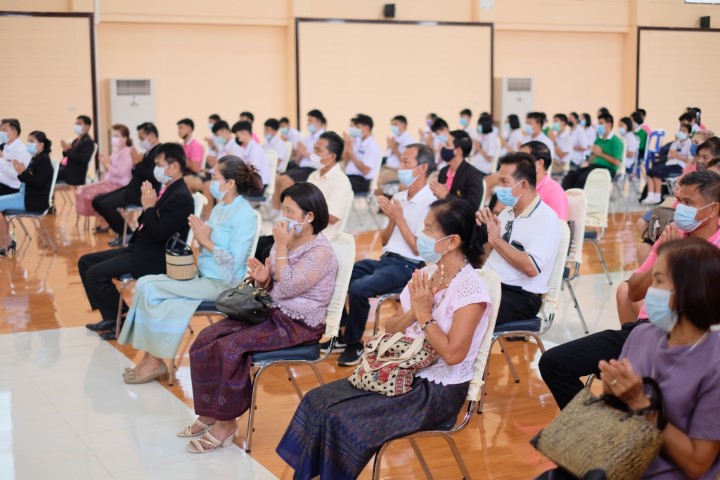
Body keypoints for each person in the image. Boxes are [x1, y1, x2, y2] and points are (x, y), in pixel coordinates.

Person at [276, 197, 492, 480]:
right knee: (317, 400)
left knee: (344, 420)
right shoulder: (428, 273)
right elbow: (392, 327)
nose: (421, 235)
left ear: (452, 241)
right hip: (399, 369)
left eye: (429, 229)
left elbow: (453, 355)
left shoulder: (471, 291)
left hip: (436, 390)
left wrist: (424, 315)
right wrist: (415, 312)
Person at [536, 238, 720, 480]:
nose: (650, 290)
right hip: (617, 462)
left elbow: (697, 465)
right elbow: (616, 416)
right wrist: (613, 393)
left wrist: (641, 405)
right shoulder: (643, 335)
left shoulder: (714, 361)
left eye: (658, 281)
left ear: (688, 292)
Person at [540, 170, 720, 409]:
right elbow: (634, 291)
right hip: (644, 331)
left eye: (688, 203)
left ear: (713, 209)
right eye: (679, 201)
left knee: (642, 393)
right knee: (553, 362)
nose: (679, 209)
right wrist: (663, 258)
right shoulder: (672, 235)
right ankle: (590, 425)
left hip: (688, 340)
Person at [180, 182, 338, 453]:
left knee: (231, 348)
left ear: (310, 216)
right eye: (283, 209)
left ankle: (226, 424)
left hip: (298, 325)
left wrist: (281, 247)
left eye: (290, 211)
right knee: (206, 338)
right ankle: (208, 413)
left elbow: (289, 286)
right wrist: (263, 280)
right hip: (272, 313)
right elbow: (276, 284)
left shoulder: (320, 252)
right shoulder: (287, 239)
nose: (284, 216)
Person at [118, 156, 263, 384]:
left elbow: (234, 264)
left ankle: (154, 362)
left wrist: (206, 241)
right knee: (145, 283)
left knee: (153, 290)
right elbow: (207, 246)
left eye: (215, 177)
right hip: (204, 276)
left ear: (230, 183)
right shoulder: (220, 208)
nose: (211, 182)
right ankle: (151, 358)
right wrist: (202, 238)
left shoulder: (244, 214)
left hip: (224, 285)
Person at [334, 143, 437, 366]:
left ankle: (354, 344)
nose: (400, 167)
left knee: (359, 289)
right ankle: (342, 331)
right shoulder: (399, 196)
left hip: (409, 265)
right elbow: (384, 239)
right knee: (338, 275)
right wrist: (392, 219)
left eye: (406, 162)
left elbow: (418, 249)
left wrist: (399, 218)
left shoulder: (431, 202)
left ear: (422, 168)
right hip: (387, 259)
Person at [79, 143, 194, 338]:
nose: (156, 169)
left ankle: (122, 320)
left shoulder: (181, 197)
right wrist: (148, 207)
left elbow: (159, 233)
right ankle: (113, 316)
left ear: (173, 167)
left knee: (95, 274)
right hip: (141, 247)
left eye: (159, 164)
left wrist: (148, 207)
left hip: (154, 256)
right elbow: (149, 224)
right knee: (85, 262)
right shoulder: (169, 189)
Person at [477, 152, 561, 325]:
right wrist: (484, 234)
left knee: (464, 312)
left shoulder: (546, 218)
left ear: (523, 185)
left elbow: (531, 268)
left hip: (520, 295)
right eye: (499, 181)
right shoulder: (508, 212)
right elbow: (487, 255)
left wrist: (495, 240)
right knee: (444, 295)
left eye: (504, 182)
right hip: (492, 283)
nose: (499, 188)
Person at [93, 122, 162, 245]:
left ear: (151, 136)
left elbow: (152, 176)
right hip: (132, 188)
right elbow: (138, 172)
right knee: (97, 201)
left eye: (141, 138)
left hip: (141, 193)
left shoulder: (159, 153)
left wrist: (137, 163)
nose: (140, 141)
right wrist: (136, 164)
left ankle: (127, 234)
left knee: (105, 205)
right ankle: (122, 233)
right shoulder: (148, 151)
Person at [0, 131, 54, 255]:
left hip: (32, 200)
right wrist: (20, 170)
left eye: (32, 141)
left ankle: (6, 241)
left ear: (41, 145)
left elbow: (37, 183)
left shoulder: (44, 161)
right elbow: (26, 179)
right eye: (28, 141)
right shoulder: (36, 158)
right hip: (25, 196)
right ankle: (7, 240)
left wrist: (22, 172)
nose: (28, 144)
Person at [75, 124, 134, 233]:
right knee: (82, 190)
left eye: (116, 136)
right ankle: (104, 220)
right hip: (110, 181)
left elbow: (121, 173)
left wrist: (106, 164)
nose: (113, 138)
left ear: (125, 138)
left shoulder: (127, 152)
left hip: (120, 185)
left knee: (91, 195)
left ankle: (105, 222)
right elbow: (109, 171)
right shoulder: (117, 151)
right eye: (113, 136)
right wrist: (105, 164)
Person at [271, 110, 327, 214]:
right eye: (308, 120)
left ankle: (285, 211)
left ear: (319, 122)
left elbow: (321, 160)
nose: (308, 123)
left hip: (312, 169)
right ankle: (275, 210)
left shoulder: (323, 138)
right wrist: (299, 154)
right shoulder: (308, 137)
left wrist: (305, 153)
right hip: (301, 167)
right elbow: (298, 160)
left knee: (284, 180)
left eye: (311, 120)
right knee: (276, 177)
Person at [561, 113, 624, 190]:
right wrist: (588, 161)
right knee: (570, 176)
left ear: (609, 125)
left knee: (583, 179)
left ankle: (579, 197)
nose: (598, 126)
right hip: (593, 166)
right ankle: (566, 196)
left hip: (607, 170)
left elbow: (617, 162)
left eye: (601, 123)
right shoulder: (598, 140)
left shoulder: (616, 141)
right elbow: (592, 157)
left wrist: (601, 154)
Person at [429, 130, 485, 211]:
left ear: (458, 151)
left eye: (447, 144)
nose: (443, 147)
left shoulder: (474, 175)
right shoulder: (443, 171)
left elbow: (472, 207)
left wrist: (447, 196)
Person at [643, 124, 693, 205]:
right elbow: (669, 156)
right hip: (671, 163)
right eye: (680, 130)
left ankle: (657, 196)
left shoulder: (689, 144)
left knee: (657, 172)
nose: (681, 132)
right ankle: (650, 195)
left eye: (684, 131)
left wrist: (677, 156)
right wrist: (673, 156)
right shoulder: (675, 143)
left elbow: (689, 161)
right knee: (650, 171)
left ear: (689, 134)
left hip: (680, 166)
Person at [520, 141, 569, 221]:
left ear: (539, 163)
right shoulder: (520, 185)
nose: (517, 164)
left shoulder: (554, 192)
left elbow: (559, 225)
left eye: (523, 159)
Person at [341, 114, 382, 194]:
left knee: (339, 185)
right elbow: (345, 163)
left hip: (361, 181)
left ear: (367, 128)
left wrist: (351, 154)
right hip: (349, 176)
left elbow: (365, 170)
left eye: (358, 127)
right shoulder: (357, 142)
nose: (355, 130)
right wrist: (348, 145)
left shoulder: (373, 146)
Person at [378, 115, 416, 191]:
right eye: (392, 125)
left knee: (380, 179)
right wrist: (389, 146)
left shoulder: (409, 141)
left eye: (395, 124)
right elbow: (387, 156)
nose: (393, 127)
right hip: (387, 167)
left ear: (404, 126)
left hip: (397, 170)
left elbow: (407, 162)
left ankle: (383, 198)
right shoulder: (395, 138)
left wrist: (395, 149)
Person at [232, 121, 271, 188]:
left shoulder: (255, 149)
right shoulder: (247, 148)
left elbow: (253, 171)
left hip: (259, 185)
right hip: (252, 182)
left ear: (245, 133)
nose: (236, 137)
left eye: (237, 134)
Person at [58, 115, 94, 185]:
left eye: (79, 124)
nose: (76, 126)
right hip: (66, 169)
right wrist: (66, 150)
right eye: (76, 124)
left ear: (87, 127)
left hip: (74, 174)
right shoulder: (75, 140)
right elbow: (68, 154)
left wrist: (67, 150)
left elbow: (82, 158)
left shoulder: (88, 142)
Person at [0, 118, 31, 196]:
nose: (1, 133)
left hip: (11, 188)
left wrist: (0, 159)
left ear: (14, 132)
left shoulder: (21, 150)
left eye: (3, 130)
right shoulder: (6, 147)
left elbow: (16, 175)